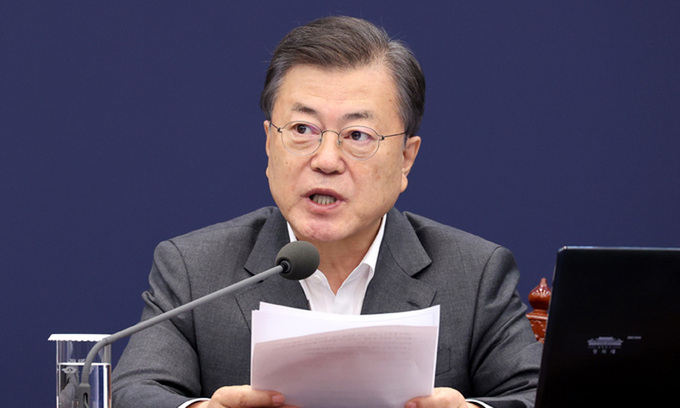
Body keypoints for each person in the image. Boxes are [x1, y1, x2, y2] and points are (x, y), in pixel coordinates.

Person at [112, 16, 541, 408]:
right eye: (302, 129)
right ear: (269, 143)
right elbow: (136, 391)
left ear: (406, 159)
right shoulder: (195, 270)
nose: (327, 159)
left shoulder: (473, 274)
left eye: (357, 135)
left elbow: (536, 394)